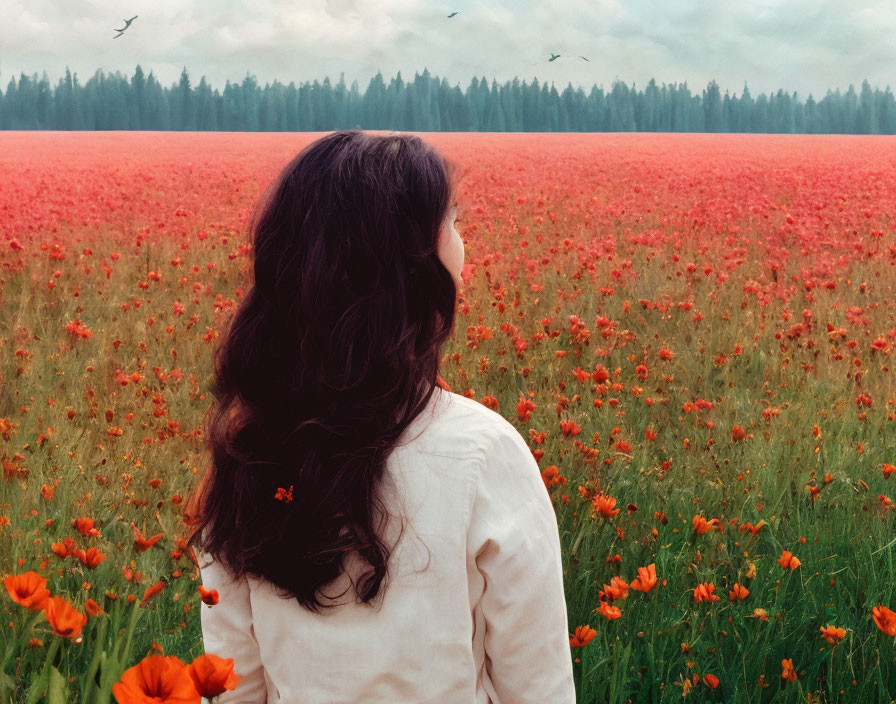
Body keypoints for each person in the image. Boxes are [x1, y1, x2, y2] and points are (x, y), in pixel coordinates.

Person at [186, 129, 576, 703]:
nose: (464, 246)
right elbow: (538, 690)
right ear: (410, 268)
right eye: (454, 223)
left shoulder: (250, 457)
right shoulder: (484, 455)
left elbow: (232, 692)